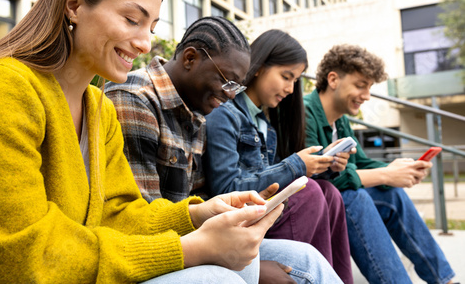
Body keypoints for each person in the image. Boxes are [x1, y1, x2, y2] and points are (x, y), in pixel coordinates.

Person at [0, 0, 284, 283]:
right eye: (133, 20)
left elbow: (118, 214)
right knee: (217, 278)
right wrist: (192, 249)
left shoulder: (99, 108)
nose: (145, 44)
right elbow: (22, 255)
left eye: (152, 27)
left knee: (255, 263)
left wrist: (196, 215)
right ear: (74, 5)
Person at [105, 17, 343, 284]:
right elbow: (139, 224)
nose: (231, 96)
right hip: (146, 253)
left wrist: (238, 208)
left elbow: (198, 199)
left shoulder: (196, 111)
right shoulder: (134, 100)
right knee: (237, 275)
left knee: (307, 260)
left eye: (236, 86)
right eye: (227, 82)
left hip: (187, 239)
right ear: (190, 58)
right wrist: (239, 259)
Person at [203, 29, 353, 283]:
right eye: (286, 76)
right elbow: (226, 188)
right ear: (259, 67)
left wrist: (325, 165)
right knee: (312, 193)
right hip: (240, 216)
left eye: (295, 80)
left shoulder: (264, 123)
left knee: (329, 192)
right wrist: (296, 166)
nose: (290, 88)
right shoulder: (225, 113)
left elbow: (265, 175)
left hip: (263, 210)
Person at [303, 44, 456, 284]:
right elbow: (319, 178)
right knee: (357, 197)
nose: (366, 95)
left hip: (336, 199)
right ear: (333, 79)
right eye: (360, 85)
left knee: (391, 191)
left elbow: (361, 162)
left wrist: (400, 169)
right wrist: (386, 174)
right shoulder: (305, 112)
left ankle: (444, 279)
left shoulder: (340, 121)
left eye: (369, 87)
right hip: (312, 205)